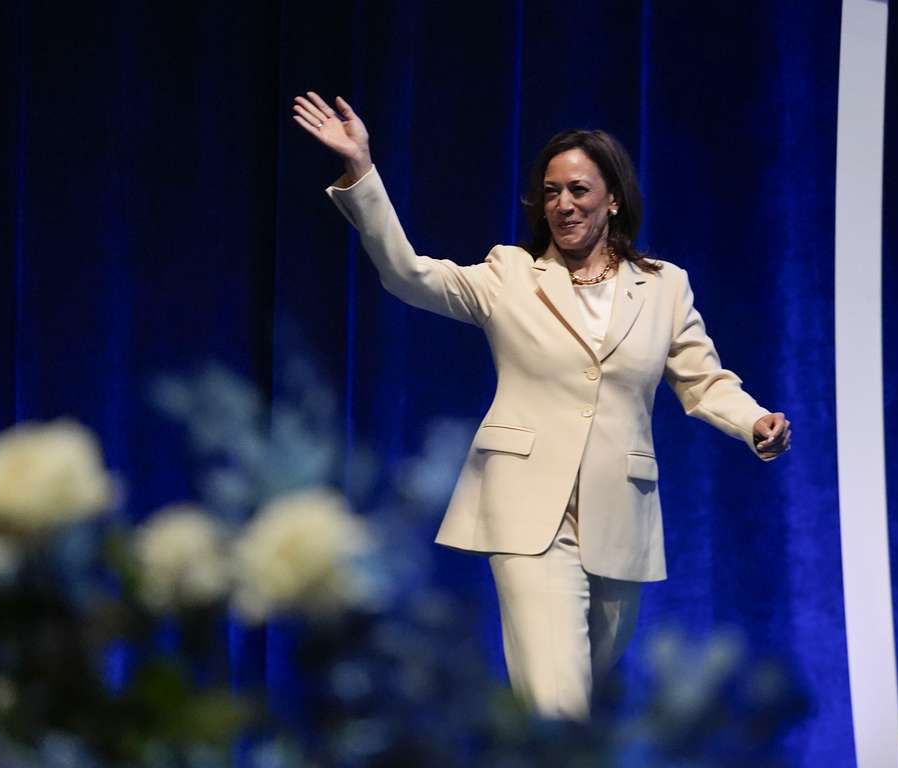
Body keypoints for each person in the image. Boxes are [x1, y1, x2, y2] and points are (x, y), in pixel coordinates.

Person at [293, 91, 791, 722]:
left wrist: (755, 422)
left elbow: (703, 380)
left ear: (613, 197)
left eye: (579, 190)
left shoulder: (663, 285)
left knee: (569, 727)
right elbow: (407, 273)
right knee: (559, 707)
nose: (563, 204)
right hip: (528, 513)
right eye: (551, 192)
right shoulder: (510, 275)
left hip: (619, 515)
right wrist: (361, 171)